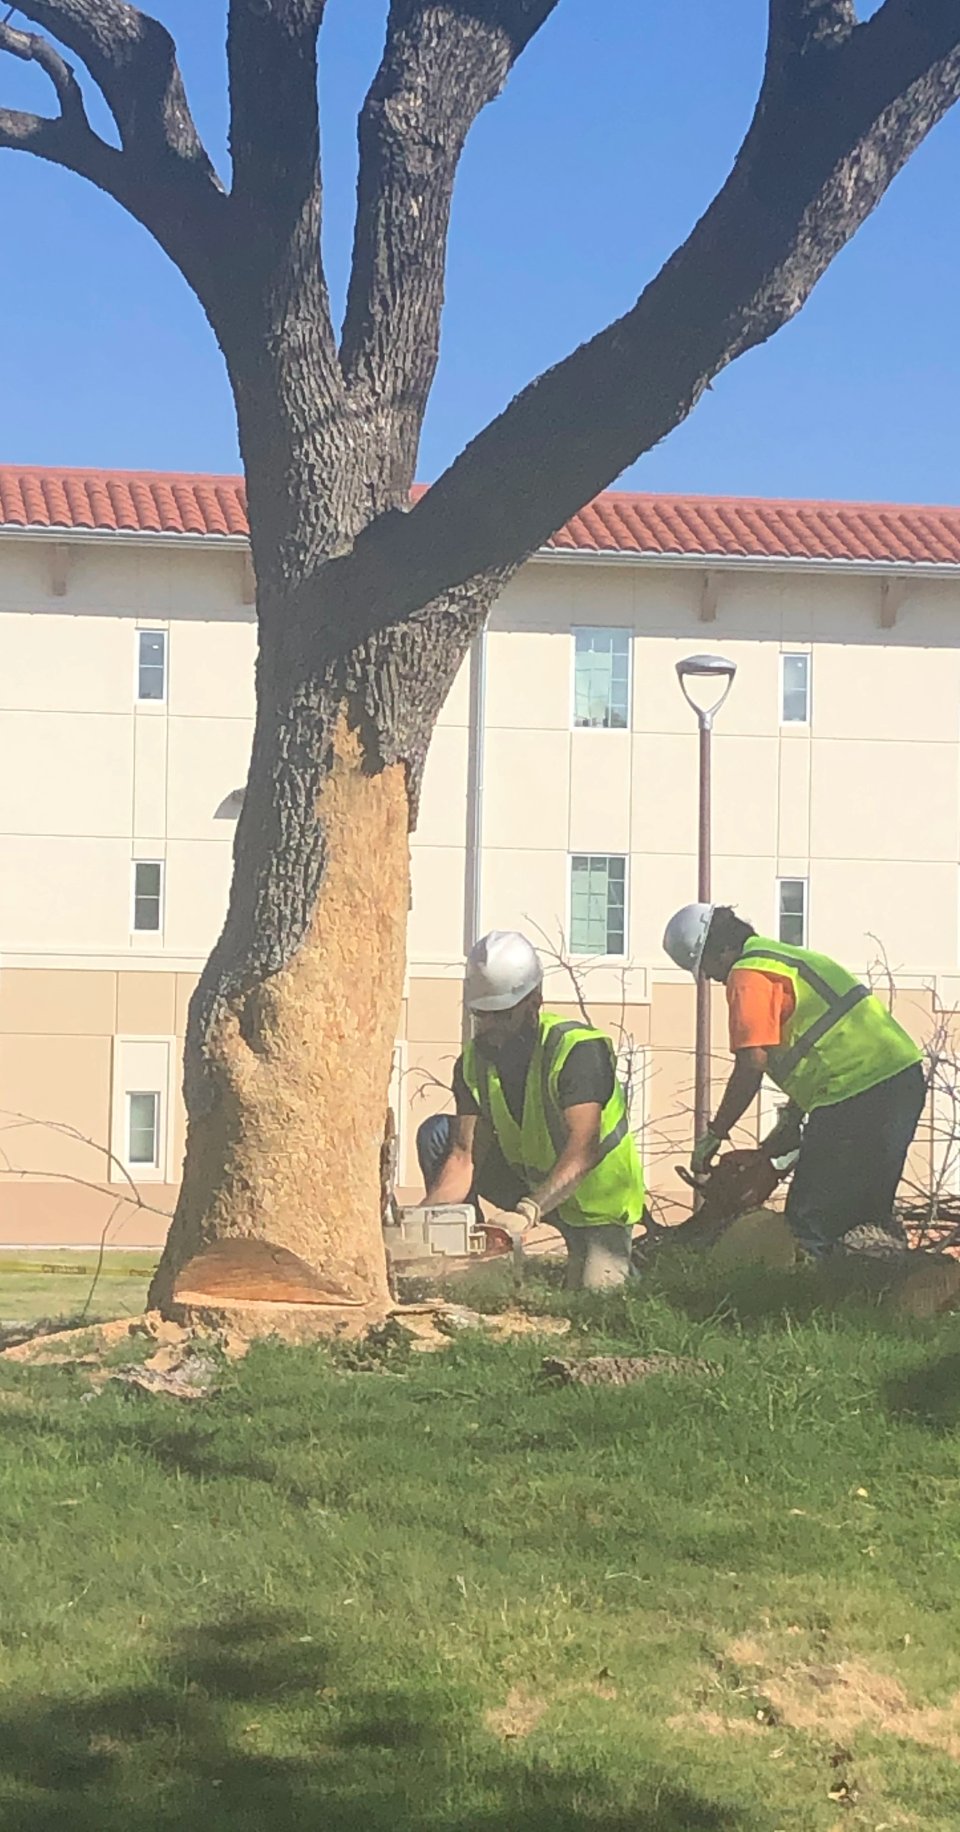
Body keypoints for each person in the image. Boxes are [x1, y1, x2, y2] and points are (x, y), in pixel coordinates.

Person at [662, 902, 926, 1257]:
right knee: (866, 1217)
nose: (711, 978)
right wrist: (778, 1139)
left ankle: (811, 1305)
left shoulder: (748, 974)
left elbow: (751, 1066)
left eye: (707, 968)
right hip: (899, 1081)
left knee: (809, 1221)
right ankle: (877, 1298)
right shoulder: (784, 958)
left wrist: (715, 1133)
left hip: (854, 1093)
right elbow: (822, 1048)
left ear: (721, 949)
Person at [416, 930, 645, 1288]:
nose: (490, 1028)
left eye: (502, 1016)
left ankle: (628, 1264)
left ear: (534, 1002)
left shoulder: (576, 1051)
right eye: (482, 1015)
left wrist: (527, 1212)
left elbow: (584, 1148)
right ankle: (469, 1264)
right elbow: (464, 1158)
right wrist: (418, 1224)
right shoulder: (474, 1064)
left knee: (596, 1297)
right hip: (528, 1184)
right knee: (438, 1135)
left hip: (594, 1203)